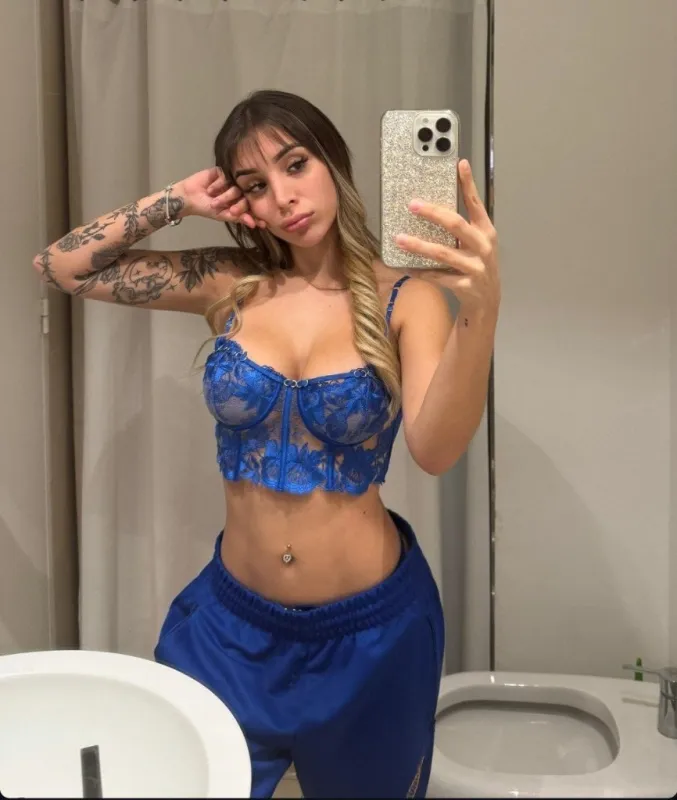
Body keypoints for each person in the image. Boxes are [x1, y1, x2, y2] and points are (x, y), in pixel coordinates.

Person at [34, 90, 500, 798]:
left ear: (332, 162)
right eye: (255, 184)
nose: (283, 197)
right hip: (231, 631)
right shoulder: (231, 283)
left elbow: (435, 451)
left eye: (296, 164)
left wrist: (480, 312)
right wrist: (179, 199)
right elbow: (63, 267)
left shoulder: (407, 298)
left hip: (370, 639)